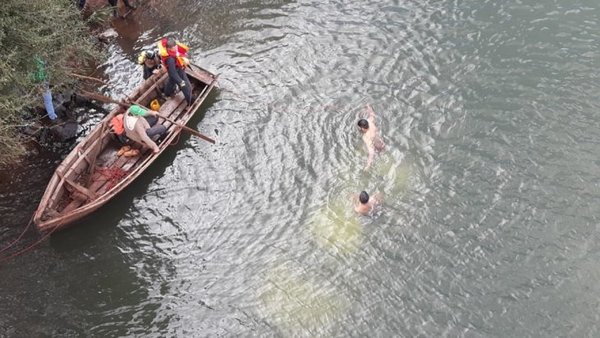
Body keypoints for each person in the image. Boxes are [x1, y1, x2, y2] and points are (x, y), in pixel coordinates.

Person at [157, 36, 193, 106]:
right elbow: (173, 73)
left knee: (171, 82)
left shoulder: (171, 51)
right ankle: (190, 102)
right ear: (169, 48)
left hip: (177, 70)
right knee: (186, 86)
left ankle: (166, 93)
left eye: (175, 46)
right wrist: (181, 81)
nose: (176, 48)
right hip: (176, 72)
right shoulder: (170, 59)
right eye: (174, 47)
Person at [357, 104, 385, 170]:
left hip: (377, 148)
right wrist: (368, 107)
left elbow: (371, 152)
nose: (359, 129)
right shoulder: (370, 121)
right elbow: (372, 114)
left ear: (363, 128)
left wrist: (367, 165)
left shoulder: (366, 137)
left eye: (359, 127)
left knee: (363, 149)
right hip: (382, 143)